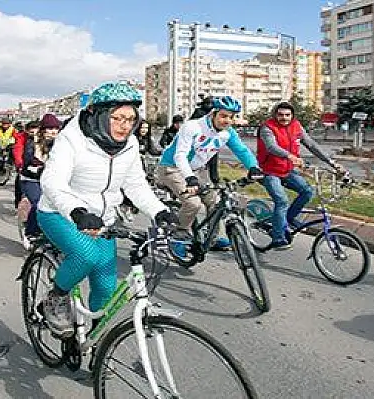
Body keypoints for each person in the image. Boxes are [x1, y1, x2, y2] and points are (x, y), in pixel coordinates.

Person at [37, 81, 178, 336]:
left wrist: (159, 211)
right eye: (118, 118)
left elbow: (135, 185)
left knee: (106, 289)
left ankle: (95, 342)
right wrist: (78, 212)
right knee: (86, 256)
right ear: (99, 116)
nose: (125, 125)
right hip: (60, 213)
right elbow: (52, 181)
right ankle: (55, 297)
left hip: (102, 219)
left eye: (131, 119)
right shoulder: (72, 140)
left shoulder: (130, 144)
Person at [156, 95, 263, 252]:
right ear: (213, 113)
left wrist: (253, 167)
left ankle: (211, 238)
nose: (227, 120)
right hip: (172, 168)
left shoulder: (228, 133)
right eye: (223, 116)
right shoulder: (193, 127)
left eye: (231, 117)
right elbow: (180, 155)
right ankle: (179, 235)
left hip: (197, 170)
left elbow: (242, 150)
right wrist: (190, 178)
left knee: (216, 201)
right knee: (193, 203)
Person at [257, 102, 344, 250]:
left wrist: (332, 163)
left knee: (308, 191)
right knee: (282, 201)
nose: (284, 118)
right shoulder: (267, 128)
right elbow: (271, 147)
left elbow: (311, 145)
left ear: (292, 115)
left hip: (288, 170)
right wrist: (290, 156)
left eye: (287, 115)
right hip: (269, 171)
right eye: (280, 115)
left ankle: (288, 218)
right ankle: (278, 238)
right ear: (274, 115)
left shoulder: (297, 127)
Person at [13, 114, 61, 247]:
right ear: (43, 129)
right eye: (50, 128)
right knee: (39, 203)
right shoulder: (33, 144)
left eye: (56, 128)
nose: (53, 131)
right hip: (31, 179)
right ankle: (30, 232)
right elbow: (27, 163)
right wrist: (38, 168)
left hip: (51, 180)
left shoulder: (62, 143)